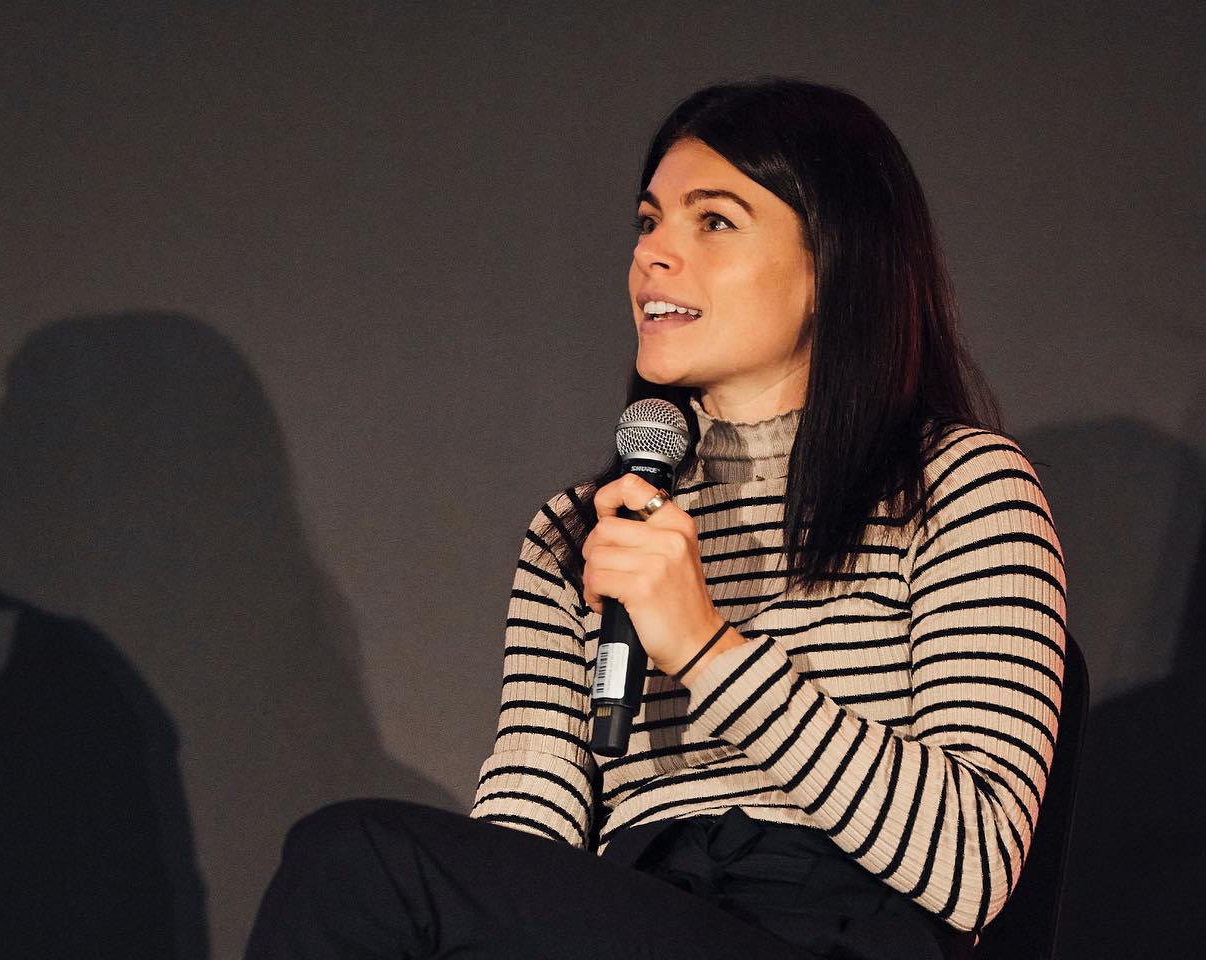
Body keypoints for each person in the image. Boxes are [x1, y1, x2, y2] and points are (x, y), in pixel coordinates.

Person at [243, 77, 1066, 960]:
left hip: (835, 927)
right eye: (647, 222)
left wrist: (709, 651)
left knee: (363, 856)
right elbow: (528, 824)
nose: (653, 256)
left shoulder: (960, 484)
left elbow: (976, 862)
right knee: (371, 877)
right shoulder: (582, 532)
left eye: (712, 220)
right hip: (633, 910)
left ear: (836, 261)